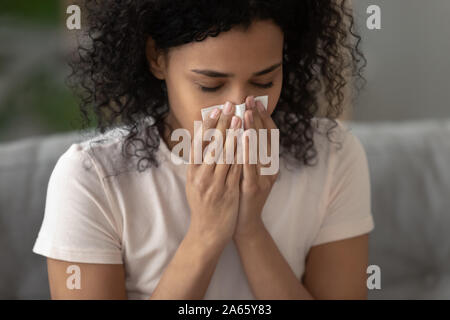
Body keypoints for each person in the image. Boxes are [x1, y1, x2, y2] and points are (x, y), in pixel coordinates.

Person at [32, 0, 374, 299]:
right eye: (210, 85)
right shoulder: (91, 178)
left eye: (264, 81)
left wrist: (250, 230)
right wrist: (206, 234)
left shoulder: (334, 155)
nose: (240, 108)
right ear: (157, 59)